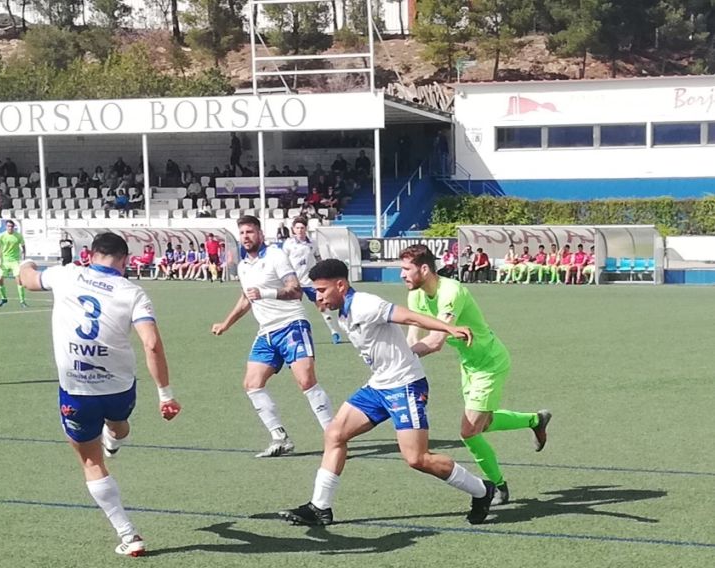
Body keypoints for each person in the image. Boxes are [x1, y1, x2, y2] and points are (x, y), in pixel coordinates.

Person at [278, 258, 496, 527]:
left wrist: (448, 328)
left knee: (417, 459)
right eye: (317, 291)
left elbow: (407, 315)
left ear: (341, 285)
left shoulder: (365, 304)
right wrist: (266, 291)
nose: (319, 297)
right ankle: (320, 507)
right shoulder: (341, 302)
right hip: (379, 385)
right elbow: (304, 290)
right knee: (335, 434)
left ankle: (482, 490)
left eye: (323, 290)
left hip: (405, 385)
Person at [18, 233, 181, 557]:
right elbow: (151, 343)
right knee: (119, 424)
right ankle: (115, 438)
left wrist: (23, 260)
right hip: (120, 388)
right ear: (125, 259)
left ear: (90, 254)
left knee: (91, 462)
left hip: (78, 390)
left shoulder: (67, 274)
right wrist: (165, 394)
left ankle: (129, 535)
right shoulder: (132, 292)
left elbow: (29, 279)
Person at [401, 244, 551, 506]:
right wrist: (405, 352)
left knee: (469, 431)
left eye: (406, 269)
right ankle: (535, 420)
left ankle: (498, 487)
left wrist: (399, 359)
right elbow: (415, 330)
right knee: (486, 423)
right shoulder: (416, 295)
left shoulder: (451, 291)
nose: (402, 275)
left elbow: (436, 341)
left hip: (490, 362)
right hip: (469, 364)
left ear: (424, 269)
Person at [211, 215, 333, 457]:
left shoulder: (276, 255)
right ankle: (280, 438)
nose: (246, 237)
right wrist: (226, 323)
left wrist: (266, 292)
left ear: (260, 234)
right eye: (242, 233)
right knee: (252, 384)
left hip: (291, 325)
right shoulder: (244, 266)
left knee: (306, 381)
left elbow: (296, 290)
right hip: (266, 333)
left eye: (250, 232)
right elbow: (247, 298)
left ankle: (334, 436)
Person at [282, 217, 342, 344]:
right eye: (297, 228)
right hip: (294, 283)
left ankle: (334, 332)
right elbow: (283, 262)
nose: (300, 230)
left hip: (309, 282)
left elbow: (318, 259)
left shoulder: (312, 243)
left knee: (322, 306)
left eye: (302, 228)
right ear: (293, 229)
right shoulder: (288, 244)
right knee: (293, 310)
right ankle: (293, 336)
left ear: (306, 229)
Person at [0, 220, 27, 308]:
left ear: (14, 227)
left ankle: (22, 301)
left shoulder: (18, 236)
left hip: (15, 261)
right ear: (6, 227)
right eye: (8, 226)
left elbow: (23, 247)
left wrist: (23, 259)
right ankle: (3, 298)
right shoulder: (1, 236)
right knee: (0, 279)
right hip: (4, 261)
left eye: (11, 226)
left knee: (19, 280)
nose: (10, 228)